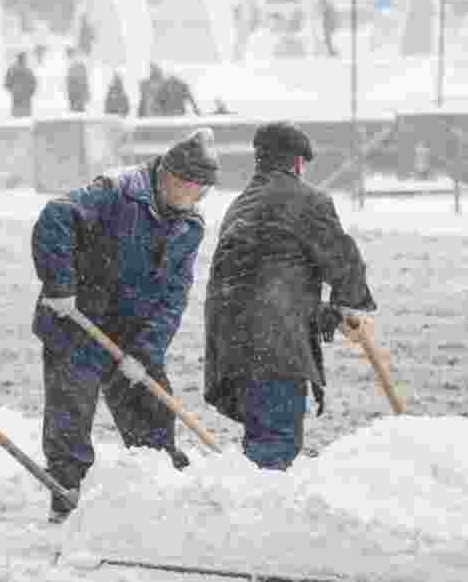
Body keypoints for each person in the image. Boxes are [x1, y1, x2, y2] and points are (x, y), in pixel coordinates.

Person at [32, 128, 221, 524]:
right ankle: (66, 501)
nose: (188, 196)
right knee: (71, 415)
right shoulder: (115, 192)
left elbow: (174, 294)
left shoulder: (190, 227)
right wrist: (60, 286)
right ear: (164, 174)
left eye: (197, 190)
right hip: (77, 322)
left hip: (131, 333)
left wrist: (145, 354)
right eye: (183, 185)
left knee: (151, 410)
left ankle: (156, 488)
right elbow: (55, 217)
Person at [204, 122, 376, 471]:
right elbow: (343, 261)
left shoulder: (239, 205)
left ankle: (249, 507)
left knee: (262, 437)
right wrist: (345, 304)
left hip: (230, 346)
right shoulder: (307, 200)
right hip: (273, 343)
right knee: (275, 446)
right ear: (297, 162)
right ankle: (255, 518)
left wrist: (326, 308)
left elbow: (262, 272)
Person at [4, 51, 37, 118]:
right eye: (23, 58)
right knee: (24, 116)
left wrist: (12, 90)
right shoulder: (27, 70)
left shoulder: (13, 69)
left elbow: (7, 83)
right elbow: (33, 83)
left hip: (19, 95)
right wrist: (30, 92)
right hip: (24, 96)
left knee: (18, 116)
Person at [65, 47, 91, 113]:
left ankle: (78, 106)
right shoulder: (71, 64)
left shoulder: (78, 63)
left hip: (78, 88)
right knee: (75, 106)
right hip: (74, 89)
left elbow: (84, 80)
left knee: (78, 106)